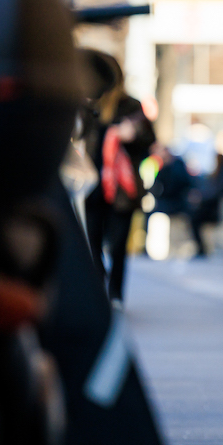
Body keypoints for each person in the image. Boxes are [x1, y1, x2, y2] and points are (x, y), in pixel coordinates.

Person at [80, 50, 156, 307]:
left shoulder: (131, 106)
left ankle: (115, 296)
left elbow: (150, 141)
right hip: (92, 187)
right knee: (91, 245)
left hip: (122, 189)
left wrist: (132, 133)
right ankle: (98, 293)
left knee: (118, 248)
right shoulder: (88, 106)